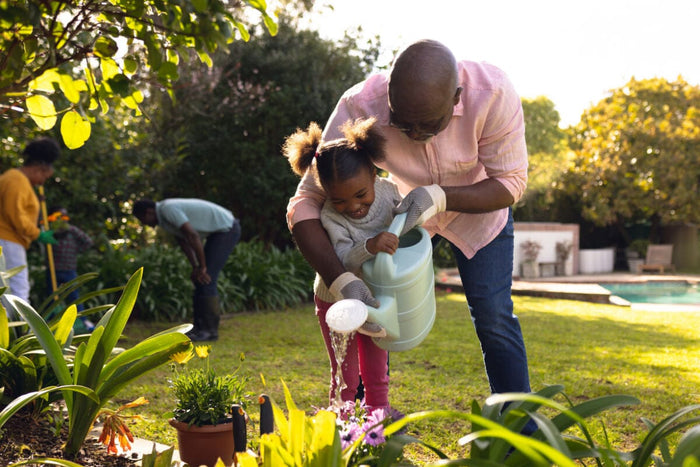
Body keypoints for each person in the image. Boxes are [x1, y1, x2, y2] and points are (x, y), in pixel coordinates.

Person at [287, 39, 534, 423]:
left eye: (429, 123)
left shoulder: (494, 93)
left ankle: (520, 427)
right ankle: (368, 423)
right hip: (399, 217)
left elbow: (511, 183)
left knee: (493, 316)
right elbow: (304, 202)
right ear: (388, 97)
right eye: (405, 123)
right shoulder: (359, 107)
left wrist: (438, 196)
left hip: (477, 210)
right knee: (373, 308)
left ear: (456, 97)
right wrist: (342, 282)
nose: (416, 133)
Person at [283, 116, 401, 409]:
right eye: (340, 201)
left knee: (376, 368)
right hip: (336, 299)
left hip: (372, 293)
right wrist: (371, 245)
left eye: (361, 195)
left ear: (374, 175)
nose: (353, 207)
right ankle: (343, 424)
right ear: (325, 192)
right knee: (345, 371)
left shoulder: (388, 191)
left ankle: (378, 420)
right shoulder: (329, 216)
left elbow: (403, 217)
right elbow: (344, 258)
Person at [133, 198, 241, 342]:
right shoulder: (164, 218)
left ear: (149, 212)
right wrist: (195, 267)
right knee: (199, 279)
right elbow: (184, 241)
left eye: (142, 219)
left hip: (227, 228)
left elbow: (192, 235)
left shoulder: (167, 210)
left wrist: (203, 267)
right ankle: (198, 329)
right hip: (218, 231)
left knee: (207, 278)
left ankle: (210, 331)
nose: (144, 223)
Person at [0, 137, 60, 303]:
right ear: (39, 169)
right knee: (18, 287)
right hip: (8, 240)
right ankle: (20, 327)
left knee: (8, 287)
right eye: (45, 177)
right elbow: (16, 215)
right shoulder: (16, 180)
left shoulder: (19, 181)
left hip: (9, 241)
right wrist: (37, 234)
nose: (42, 182)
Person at [46, 206, 95, 331]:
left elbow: (88, 242)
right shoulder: (49, 231)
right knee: (52, 299)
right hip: (52, 271)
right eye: (59, 217)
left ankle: (83, 322)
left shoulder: (72, 231)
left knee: (74, 297)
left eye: (64, 216)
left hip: (69, 270)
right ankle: (52, 323)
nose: (62, 220)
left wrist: (77, 251)